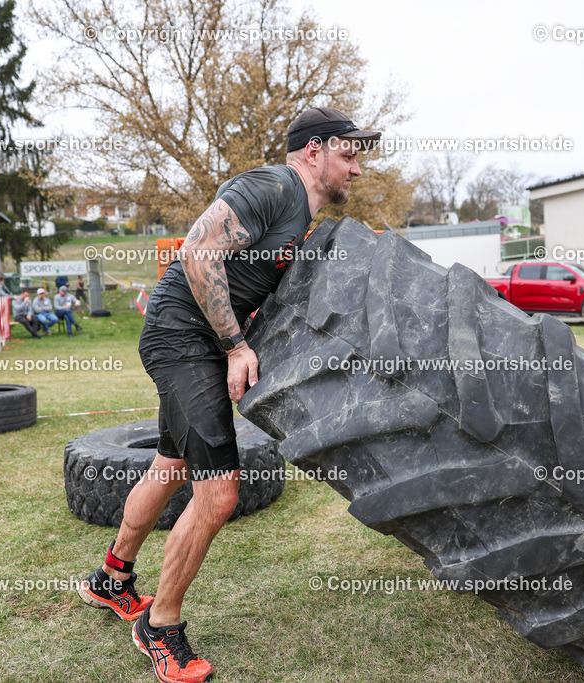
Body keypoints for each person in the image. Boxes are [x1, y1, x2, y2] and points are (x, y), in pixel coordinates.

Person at [75, 107, 380, 683]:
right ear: (314, 150)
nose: (356, 169)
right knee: (218, 495)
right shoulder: (271, 185)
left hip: (195, 341)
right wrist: (236, 345)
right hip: (183, 338)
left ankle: (111, 579)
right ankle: (159, 627)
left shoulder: (299, 217)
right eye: (349, 153)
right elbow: (196, 252)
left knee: (168, 467)